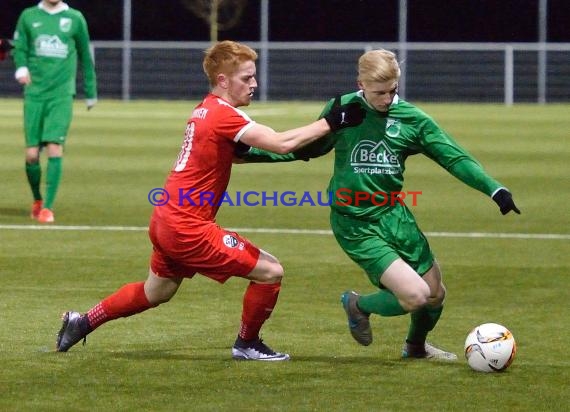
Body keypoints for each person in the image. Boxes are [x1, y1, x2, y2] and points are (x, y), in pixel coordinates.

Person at [55, 40, 365, 360]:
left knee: (155, 291)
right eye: (247, 78)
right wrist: (332, 121)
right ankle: (247, 344)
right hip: (187, 226)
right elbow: (280, 142)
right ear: (223, 80)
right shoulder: (223, 115)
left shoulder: (204, 109)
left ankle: (82, 321)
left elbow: (244, 156)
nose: (254, 84)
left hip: (166, 218)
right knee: (270, 271)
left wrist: (300, 151)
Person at [236, 48, 520, 361]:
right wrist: (250, 153)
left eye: (393, 91)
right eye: (379, 93)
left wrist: (495, 189)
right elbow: (306, 148)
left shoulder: (412, 119)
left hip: (394, 216)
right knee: (415, 296)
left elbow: (453, 157)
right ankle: (357, 304)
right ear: (361, 83)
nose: (386, 99)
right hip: (355, 222)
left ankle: (415, 348)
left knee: (435, 294)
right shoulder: (343, 109)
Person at [12, 0, 97, 223]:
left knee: (54, 147)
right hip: (34, 93)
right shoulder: (28, 16)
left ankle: (48, 208)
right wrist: (21, 67)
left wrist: (90, 91)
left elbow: (86, 57)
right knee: (31, 155)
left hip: (61, 94)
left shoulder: (75, 18)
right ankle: (37, 199)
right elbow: (19, 47)